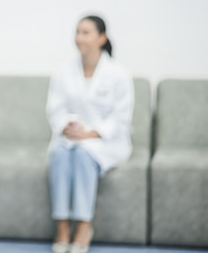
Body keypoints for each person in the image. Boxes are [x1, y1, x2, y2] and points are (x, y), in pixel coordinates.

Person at [46, 15, 134, 253]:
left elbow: (120, 118)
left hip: (105, 142)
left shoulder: (118, 75)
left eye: (85, 32)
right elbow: (56, 108)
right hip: (70, 138)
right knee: (61, 155)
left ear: (101, 38)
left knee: (84, 156)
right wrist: (67, 126)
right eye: (77, 32)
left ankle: (84, 227)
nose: (79, 38)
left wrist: (91, 133)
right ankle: (62, 227)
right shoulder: (64, 71)